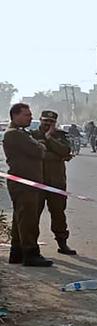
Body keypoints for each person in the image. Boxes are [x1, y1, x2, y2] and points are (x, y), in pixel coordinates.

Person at [3, 104, 52, 267]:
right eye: (26, 115)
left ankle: (17, 252)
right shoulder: (14, 134)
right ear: (15, 115)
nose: (30, 117)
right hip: (24, 182)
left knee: (20, 219)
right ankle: (31, 253)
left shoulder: (21, 133)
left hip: (28, 181)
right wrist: (40, 146)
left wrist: (39, 145)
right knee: (28, 219)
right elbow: (39, 151)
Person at [33, 111, 76, 255]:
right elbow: (36, 154)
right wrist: (58, 157)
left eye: (51, 121)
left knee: (58, 214)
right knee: (33, 215)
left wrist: (49, 137)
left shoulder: (60, 136)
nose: (47, 124)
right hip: (37, 181)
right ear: (40, 120)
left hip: (56, 182)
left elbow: (65, 150)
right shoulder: (32, 135)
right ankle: (31, 246)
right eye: (45, 121)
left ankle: (62, 243)